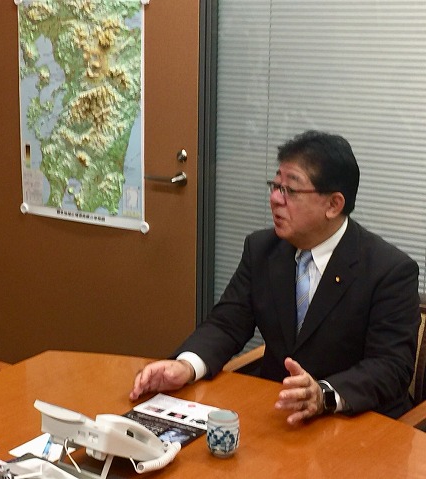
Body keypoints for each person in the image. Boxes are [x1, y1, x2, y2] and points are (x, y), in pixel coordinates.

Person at [130, 130, 420, 425]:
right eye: (275, 186)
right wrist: (186, 365)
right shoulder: (262, 250)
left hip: (358, 421)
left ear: (333, 205)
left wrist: (324, 394)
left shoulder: (389, 271)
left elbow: (391, 367)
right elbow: (227, 323)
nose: (274, 199)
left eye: (290, 190)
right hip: (280, 414)